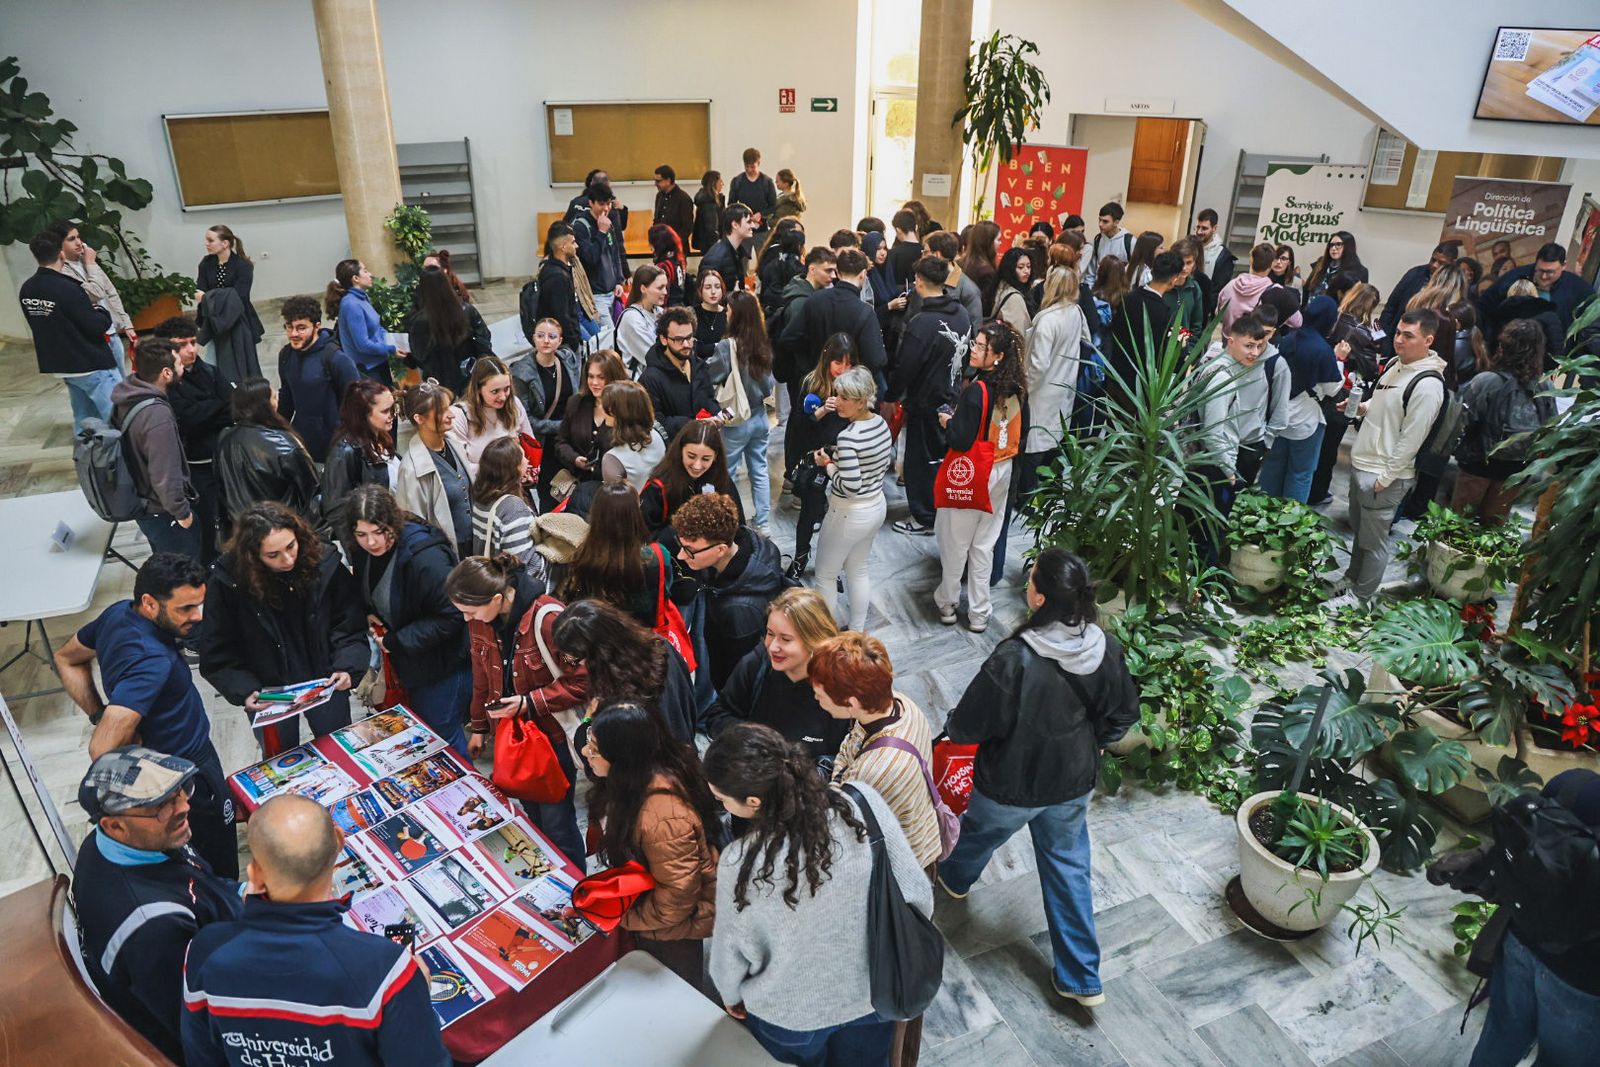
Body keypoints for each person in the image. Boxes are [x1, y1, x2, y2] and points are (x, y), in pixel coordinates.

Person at [937, 548, 1138, 1008]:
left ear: (1041, 598)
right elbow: (1124, 713)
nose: (1027, 585)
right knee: (1069, 867)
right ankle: (1081, 977)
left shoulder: (1014, 658)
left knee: (976, 835)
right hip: (1073, 782)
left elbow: (967, 727)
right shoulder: (1104, 645)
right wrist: (1097, 742)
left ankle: (955, 878)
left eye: (1031, 580)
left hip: (1010, 784)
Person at [705, 723, 930, 1065]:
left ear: (753, 801)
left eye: (722, 799)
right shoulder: (862, 803)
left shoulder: (740, 863)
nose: (722, 806)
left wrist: (731, 995)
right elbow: (917, 897)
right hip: (874, 993)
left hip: (790, 1013)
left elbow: (729, 955)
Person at [181, 795, 449, 1067]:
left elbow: (202, 1057)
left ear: (255, 874)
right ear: (339, 842)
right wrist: (416, 997)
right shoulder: (388, 971)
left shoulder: (205, 951)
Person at [55, 553, 239, 876]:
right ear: (150, 603)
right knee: (219, 868)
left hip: (181, 766)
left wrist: (98, 713)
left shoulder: (118, 614)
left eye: (199, 605)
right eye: (185, 608)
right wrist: (156, 788)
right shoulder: (151, 662)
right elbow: (101, 749)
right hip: (185, 775)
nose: (198, 616)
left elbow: (67, 658)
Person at [71, 747, 243, 1063]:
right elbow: (197, 1025)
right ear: (114, 826)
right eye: (161, 805)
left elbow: (206, 886)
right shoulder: (151, 927)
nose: (184, 806)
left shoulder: (125, 840)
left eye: (180, 791)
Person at [1426, 769, 1600, 1067]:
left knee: (1503, 1032)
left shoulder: (1575, 784)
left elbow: (1528, 852)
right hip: (1584, 981)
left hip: (1521, 941)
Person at [447, 554, 587, 866]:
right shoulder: (482, 622)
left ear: (498, 598)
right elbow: (481, 674)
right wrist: (479, 726)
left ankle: (576, 889)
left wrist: (529, 702)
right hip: (514, 739)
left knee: (557, 825)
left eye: (470, 612)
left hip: (553, 740)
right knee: (532, 820)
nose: (467, 620)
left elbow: (584, 682)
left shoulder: (549, 617)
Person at [200, 502, 367, 751]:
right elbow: (217, 648)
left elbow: (349, 622)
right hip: (269, 692)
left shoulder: (324, 563)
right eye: (273, 555)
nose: (287, 559)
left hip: (324, 678)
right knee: (280, 759)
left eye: (291, 546)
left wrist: (348, 664)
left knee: (339, 749)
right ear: (252, 555)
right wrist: (244, 690)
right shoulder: (229, 582)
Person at [581, 701, 720, 988]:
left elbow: (677, 900)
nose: (586, 754)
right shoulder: (635, 781)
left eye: (594, 748)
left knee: (676, 992)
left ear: (622, 756)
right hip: (653, 908)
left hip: (672, 929)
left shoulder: (663, 817)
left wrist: (627, 918)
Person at [1333, 308, 1449, 609]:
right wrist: (1362, 406)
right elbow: (1385, 402)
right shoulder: (1397, 365)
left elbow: (1413, 438)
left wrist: (1387, 477)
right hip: (1363, 462)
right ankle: (1351, 580)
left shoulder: (1428, 385)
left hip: (1383, 474)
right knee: (1361, 534)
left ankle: (1361, 599)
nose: (1398, 340)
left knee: (1374, 543)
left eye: (1408, 336)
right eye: (1398, 332)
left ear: (1428, 339)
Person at [344, 484, 471, 756]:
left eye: (380, 532)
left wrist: (396, 640)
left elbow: (454, 614)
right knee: (425, 734)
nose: (372, 542)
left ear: (394, 522)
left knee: (443, 740)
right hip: (411, 664)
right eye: (362, 534)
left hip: (444, 666)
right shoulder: (362, 551)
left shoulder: (426, 558)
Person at [933, 320, 1028, 633]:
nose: (972, 349)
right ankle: (979, 613)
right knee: (984, 545)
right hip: (1003, 468)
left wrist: (948, 422)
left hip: (973, 472)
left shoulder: (977, 391)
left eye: (980, 346)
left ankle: (947, 603)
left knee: (955, 544)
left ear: (996, 355)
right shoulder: (1015, 389)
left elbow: (960, 440)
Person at [703, 586, 851, 773]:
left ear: (815, 640)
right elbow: (718, 717)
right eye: (770, 634)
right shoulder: (756, 665)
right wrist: (757, 740)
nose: (772, 647)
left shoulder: (842, 686)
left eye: (786, 639)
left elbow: (845, 756)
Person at [671, 493, 788, 690]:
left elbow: (738, 676)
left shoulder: (739, 611)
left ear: (720, 550)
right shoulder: (748, 540)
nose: (681, 556)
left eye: (690, 550)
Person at [890, 256, 973, 534]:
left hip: (925, 402)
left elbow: (905, 367)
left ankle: (924, 517)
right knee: (940, 460)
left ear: (919, 282)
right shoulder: (960, 313)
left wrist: (892, 393)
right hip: (951, 397)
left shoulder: (922, 323)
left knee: (920, 463)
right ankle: (938, 510)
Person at [552, 598, 698, 743]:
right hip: (683, 747)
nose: (576, 665)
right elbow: (687, 699)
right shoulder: (659, 645)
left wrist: (587, 723)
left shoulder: (616, 700)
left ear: (596, 656)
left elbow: (600, 758)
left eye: (576, 659)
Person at [1451, 319, 1555, 522]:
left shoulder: (1487, 381)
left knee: (1457, 523)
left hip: (1478, 462)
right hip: (1516, 469)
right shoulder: (1544, 386)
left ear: (1503, 345)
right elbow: (1549, 425)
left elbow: (1462, 419)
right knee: (1494, 527)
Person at [20, 228, 119, 429]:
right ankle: (122, 460)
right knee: (117, 418)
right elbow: (94, 326)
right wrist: (102, 312)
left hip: (62, 364)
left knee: (84, 422)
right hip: (89, 362)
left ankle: (86, 458)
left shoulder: (27, 288)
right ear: (61, 253)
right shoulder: (67, 287)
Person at [113, 338, 199, 557]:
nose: (183, 367)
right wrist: (181, 512)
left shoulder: (128, 394)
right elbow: (164, 472)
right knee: (184, 574)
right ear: (166, 373)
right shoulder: (157, 417)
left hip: (144, 505)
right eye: (178, 363)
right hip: (162, 512)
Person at [154, 315, 230, 562]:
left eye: (193, 342)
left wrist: (207, 411)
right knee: (206, 524)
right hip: (195, 467)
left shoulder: (209, 370)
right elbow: (188, 420)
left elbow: (232, 408)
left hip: (222, 457)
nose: (190, 350)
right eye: (181, 345)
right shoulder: (165, 384)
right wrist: (215, 407)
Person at [785, 335, 859, 578]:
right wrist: (820, 412)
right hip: (815, 457)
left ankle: (832, 564)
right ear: (827, 359)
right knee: (810, 512)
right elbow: (798, 425)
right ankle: (799, 559)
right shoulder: (811, 383)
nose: (842, 369)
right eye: (838, 363)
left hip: (843, 459)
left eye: (848, 364)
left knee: (839, 517)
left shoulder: (855, 386)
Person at [1259, 295, 1342, 502]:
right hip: (1305, 421)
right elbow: (1331, 388)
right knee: (1300, 474)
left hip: (1279, 414)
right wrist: (1339, 359)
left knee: (1272, 468)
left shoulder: (1288, 338)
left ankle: (1261, 514)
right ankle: (1290, 526)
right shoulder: (1322, 349)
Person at [708, 290, 778, 531]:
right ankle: (763, 523)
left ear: (735, 315)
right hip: (760, 416)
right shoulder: (763, 343)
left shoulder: (727, 346)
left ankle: (731, 521)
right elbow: (769, 383)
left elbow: (713, 375)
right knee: (759, 470)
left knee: (727, 473)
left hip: (736, 419)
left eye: (728, 310)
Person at [1309, 282, 1384, 506]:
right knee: (1330, 446)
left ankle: (1306, 486)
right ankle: (1318, 491)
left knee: (1314, 441)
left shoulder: (1333, 320)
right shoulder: (1364, 332)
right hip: (1344, 391)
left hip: (1320, 386)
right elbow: (1371, 368)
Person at [213, 377, 320, 530]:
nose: (278, 400)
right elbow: (312, 492)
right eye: (274, 397)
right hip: (282, 528)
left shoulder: (224, 439)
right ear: (265, 406)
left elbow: (222, 490)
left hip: (242, 531)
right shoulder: (283, 443)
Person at [559, 482, 666, 626]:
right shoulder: (656, 556)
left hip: (600, 635)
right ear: (634, 513)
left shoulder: (584, 555)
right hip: (640, 636)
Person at [1022, 265, 1086, 493]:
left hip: (1043, 390)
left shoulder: (1047, 320)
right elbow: (1086, 340)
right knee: (1055, 438)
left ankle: (1028, 496)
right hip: (1065, 385)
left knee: (1034, 443)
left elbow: (1038, 364)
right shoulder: (1076, 312)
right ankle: (1049, 491)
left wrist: (1024, 387)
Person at [274, 294, 359, 462]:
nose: (293, 333)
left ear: (317, 326)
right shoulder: (285, 356)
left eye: (301, 328)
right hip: (304, 444)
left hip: (338, 446)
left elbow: (356, 404)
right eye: (289, 327)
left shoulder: (335, 358)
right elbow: (286, 399)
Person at [395, 380, 473, 556]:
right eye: (441, 411)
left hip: (473, 544)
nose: (451, 415)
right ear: (419, 418)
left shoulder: (453, 443)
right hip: (446, 552)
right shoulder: (411, 469)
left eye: (449, 407)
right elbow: (414, 528)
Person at [510, 316, 582, 508]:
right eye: (540, 336)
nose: (546, 340)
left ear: (560, 340)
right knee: (550, 493)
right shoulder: (522, 372)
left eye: (552, 336)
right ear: (533, 339)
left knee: (573, 486)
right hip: (545, 443)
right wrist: (562, 425)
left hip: (570, 438)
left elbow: (577, 395)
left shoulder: (568, 360)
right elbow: (526, 420)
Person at [1481, 241, 1594, 352]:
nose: (1544, 276)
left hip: (1557, 355)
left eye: (1550, 272)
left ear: (1563, 266)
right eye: (1540, 270)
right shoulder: (1513, 278)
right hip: (1511, 351)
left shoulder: (1578, 288)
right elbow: (1484, 307)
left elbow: (1593, 325)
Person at [51, 222, 135, 370]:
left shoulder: (86, 261)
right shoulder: (62, 271)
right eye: (71, 239)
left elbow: (110, 292)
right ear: (59, 244)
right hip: (94, 339)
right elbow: (94, 294)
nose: (78, 242)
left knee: (121, 384)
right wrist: (91, 263)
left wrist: (126, 323)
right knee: (109, 385)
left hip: (112, 332)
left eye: (78, 237)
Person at [641, 418, 742, 541]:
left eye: (706, 459)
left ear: (715, 456)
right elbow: (646, 536)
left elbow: (738, 525)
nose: (697, 465)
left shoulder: (720, 478)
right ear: (680, 451)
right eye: (691, 456)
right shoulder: (659, 487)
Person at [322, 377, 398, 535]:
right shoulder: (344, 452)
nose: (392, 415)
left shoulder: (380, 437)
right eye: (385, 411)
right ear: (363, 415)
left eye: (392, 408)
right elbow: (337, 513)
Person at [1106, 250, 1182, 406]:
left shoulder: (1128, 297)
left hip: (1115, 375)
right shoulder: (1161, 311)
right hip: (1139, 384)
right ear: (1174, 279)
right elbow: (1159, 354)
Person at [194, 224, 264, 382]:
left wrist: (208, 298)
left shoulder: (243, 266)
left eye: (210, 240)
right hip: (213, 321)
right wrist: (211, 298)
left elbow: (239, 297)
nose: (206, 243)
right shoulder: (206, 263)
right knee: (212, 363)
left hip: (239, 321)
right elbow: (199, 291)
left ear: (225, 243)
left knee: (243, 365)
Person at [771, 247, 839, 410]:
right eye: (828, 271)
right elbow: (796, 343)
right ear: (812, 269)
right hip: (803, 376)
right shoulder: (800, 303)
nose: (833, 276)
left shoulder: (806, 295)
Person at [406, 264, 491, 393]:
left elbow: (419, 355)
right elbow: (484, 337)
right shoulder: (467, 310)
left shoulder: (420, 321)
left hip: (438, 383)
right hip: (468, 374)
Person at [469, 436, 544, 579]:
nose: (528, 461)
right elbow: (524, 566)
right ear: (514, 467)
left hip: (490, 578)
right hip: (511, 587)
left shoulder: (481, 497)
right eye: (524, 457)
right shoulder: (513, 508)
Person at [552, 350, 626, 495]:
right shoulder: (576, 403)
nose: (594, 382)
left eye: (601, 377)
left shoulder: (626, 408)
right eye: (590, 376)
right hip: (581, 487)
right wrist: (574, 459)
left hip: (615, 491)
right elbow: (561, 441)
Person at [448, 354, 534, 477]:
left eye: (506, 389)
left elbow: (529, 441)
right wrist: (505, 468)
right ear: (478, 389)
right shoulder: (459, 415)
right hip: (483, 489)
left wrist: (527, 468)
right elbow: (460, 466)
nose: (503, 397)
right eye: (495, 391)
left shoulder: (514, 403)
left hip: (516, 485)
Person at [326, 258, 403, 385]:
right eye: (366, 271)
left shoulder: (362, 297)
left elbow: (376, 328)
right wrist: (390, 349)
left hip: (378, 363)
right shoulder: (351, 304)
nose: (370, 275)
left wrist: (393, 340)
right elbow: (362, 344)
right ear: (356, 278)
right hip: (368, 370)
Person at [639, 309, 715, 436]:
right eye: (679, 339)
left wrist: (717, 415)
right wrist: (692, 423)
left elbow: (708, 398)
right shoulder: (650, 378)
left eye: (689, 337)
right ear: (664, 339)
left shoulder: (698, 365)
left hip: (701, 440)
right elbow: (654, 421)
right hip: (672, 448)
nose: (686, 344)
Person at [572, 180, 629, 334]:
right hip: (595, 295)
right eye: (602, 204)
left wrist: (619, 280)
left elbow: (615, 253)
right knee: (608, 337)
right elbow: (591, 258)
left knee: (618, 332)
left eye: (609, 204)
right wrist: (601, 232)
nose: (606, 208)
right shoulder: (581, 226)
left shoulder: (607, 222)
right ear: (591, 202)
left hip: (612, 291)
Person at [1379, 243, 1458, 351]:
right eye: (1433, 259)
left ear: (1452, 263)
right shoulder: (1416, 273)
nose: (1435, 265)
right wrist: (1383, 337)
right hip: (1397, 336)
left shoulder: (1454, 285)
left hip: (1426, 345)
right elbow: (1391, 306)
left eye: (1441, 263)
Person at [600, 380, 669, 489]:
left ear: (617, 413)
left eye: (605, 406)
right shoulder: (658, 431)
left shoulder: (612, 460)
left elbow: (616, 503)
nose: (601, 409)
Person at [1486, 278, 1566, 366]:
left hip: (1505, 370)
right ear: (1535, 293)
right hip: (1538, 371)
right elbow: (1556, 350)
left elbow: (1491, 346)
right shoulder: (1549, 316)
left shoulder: (1499, 314)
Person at [535, 220, 585, 351]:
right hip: (564, 345)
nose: (577, 246)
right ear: (563, 247)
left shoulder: (554, 268)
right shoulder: (557, 278)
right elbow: (562, 316)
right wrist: (574, 343)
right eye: (573, 242)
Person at [613, 264, 666, 376]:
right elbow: (654, 358)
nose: (665, 292)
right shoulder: (632, 318)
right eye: (660, 288)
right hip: (637, 386)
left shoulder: (659, 311)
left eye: (666, 287)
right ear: (643, 289)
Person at [1216, 242, 1283, 330]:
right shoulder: (1275, 292)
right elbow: (1296, 322)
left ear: (1251, 260)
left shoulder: (1230, 286)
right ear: (1272, 264)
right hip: (1254, 342)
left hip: (1228, 339)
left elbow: (1218, 313)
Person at [699, 204, 758, 295]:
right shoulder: (715, 258)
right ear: (735, 225)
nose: (753, 225)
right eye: (749, 222)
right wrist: (734, 294)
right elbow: (706, 295)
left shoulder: (737, 252)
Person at [1302, 230, 1368, 302]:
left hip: (1335, 311)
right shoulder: (1321, 264)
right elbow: (1307, 289)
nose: (1333, 248)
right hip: (1310, 310)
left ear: (1348, 246)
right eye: (1331, 245)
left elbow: (1359, 301)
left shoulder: (1359, 271)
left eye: (1338, 244)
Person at [1162, 238, 1207, 341]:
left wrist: (1189, 350)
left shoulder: (1194, 289)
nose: (1184, 268)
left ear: (1194, 263)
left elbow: (1196, 325)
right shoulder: (1161, 285)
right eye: (1181, 263)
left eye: (1189, 263)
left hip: (1183, 349)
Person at [1084, 202, 1136, 288]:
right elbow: (1091, 273)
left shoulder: (1130, 242)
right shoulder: (1097, 241)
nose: (1100, 224)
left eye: (1105, 221)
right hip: (1099, 292)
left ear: (1116, 222)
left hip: (1120, 292)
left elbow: (1136, 271)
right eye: (1099, 220)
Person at [729, 148, 778, 234]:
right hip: (743, 229)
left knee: (763, 247)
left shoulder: (767, 182)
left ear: (758, 163)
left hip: (762, 229)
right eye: (747, 167)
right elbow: (731, 204)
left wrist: (761, 214)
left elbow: (773, 206)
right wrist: (741, 215)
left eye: (752, 167)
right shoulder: (737, 181)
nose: (749, 170)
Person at [959, 220, 1002, 315]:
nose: (1001, 243)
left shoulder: (960, 263)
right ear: (988, 242)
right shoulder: (987, 272)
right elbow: (986, 307)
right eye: (998, 240)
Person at [1193, 207, 1237, 298]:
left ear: (1214, 228)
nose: (1199, 232)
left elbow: (1218, 289)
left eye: (1204, 228)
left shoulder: (1223, 256)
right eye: (1198, 227)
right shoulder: (1190, 246)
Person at [653, 164, 696, 251]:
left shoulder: (684, 198)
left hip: (677, 249)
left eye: (658, 181)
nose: (655, 184)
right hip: (661, 247)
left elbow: (687, 227)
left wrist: (672, 243)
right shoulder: (659, 196)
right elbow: (657, 220)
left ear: (668, 180)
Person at [993, 247, 1034, 334]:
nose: (1027, 271)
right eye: (1020, 267)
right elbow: (1020, 334)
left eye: (1029, 266)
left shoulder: (1000, 285)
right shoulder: (1014, 298)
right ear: (1010, 269)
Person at [693, 269, 730, 362]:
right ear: (699, 290)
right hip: (699, 367)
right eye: (708, 287)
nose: (713, 292)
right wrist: (719, 346)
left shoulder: (728, 314)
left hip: (725, 367)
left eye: (717, 287)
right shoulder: (691, 314)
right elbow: (694, 348)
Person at [650, 223, 689, 306]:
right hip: (680, 306)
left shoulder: (663, 266)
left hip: (669, 311)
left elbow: (662, 295)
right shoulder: (679, 260)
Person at [692, 170, 725, 255]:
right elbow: (711, 228)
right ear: (714, 183)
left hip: (707, 244)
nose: (723, 184)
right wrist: (718, 245)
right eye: (720, 181)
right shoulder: (709, 203)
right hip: (712, 245)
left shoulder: (708, 200)